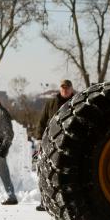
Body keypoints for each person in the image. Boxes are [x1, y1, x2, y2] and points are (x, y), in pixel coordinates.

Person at [34, 79, 75, 211]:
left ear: (71, 89)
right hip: (51, 143)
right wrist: (39, 139)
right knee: (47, 172)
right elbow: (42, 121)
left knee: (69, 173)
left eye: (67, 88)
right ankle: (45, 201)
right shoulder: (51, 103)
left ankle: (69, 203)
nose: (65, 90)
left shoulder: (77, 102)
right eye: (63, 87)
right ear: (60, 89)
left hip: (71, 143)